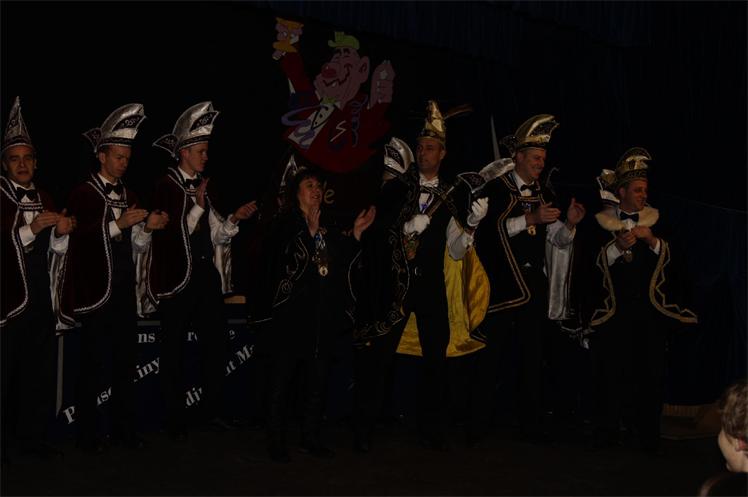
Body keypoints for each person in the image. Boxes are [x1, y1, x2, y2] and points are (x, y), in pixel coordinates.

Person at [353, 100, 488, 452]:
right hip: (396, 287)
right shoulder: (396, 189)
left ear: (442, 153)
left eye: (430, 147)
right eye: (420, 147)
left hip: (430, 287)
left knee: (435, 362)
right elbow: (375, 236)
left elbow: (455, 251)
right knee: (380, 358)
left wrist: (471, 226)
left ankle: (431, 430)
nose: (423, 152)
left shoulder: (453, 194)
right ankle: (364, 429)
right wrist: (404, 228)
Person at [467, 114, 586, 446]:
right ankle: (477, 425)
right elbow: (488, 234)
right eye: (535, 157)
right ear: (518, 157)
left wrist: (570, 225)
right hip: (502, 286)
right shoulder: (497, 189)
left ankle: (530, 425)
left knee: (532, 359)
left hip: (533, 287)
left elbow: (555, 240)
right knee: (490, 358)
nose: (540, 163)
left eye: (543, 158)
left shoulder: (544, 192)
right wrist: (529, 218)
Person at [58, 103, 168, 453]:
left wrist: (146, 229)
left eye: (127, 157)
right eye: (119, 157)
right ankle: (87, 436)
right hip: (96, 291)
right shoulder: (83, 193)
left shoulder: (130, 195)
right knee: (91, 365)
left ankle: (124, 430)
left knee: (125, 364)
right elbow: (79, 239)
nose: (124, 163)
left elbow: (136, 247)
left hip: (123, 292)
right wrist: (118, 224)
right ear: (102, 156)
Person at [149, 101, 258, 440]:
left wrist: (233, 219)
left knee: (216, 345)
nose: (205, 157)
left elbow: (214, 236)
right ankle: (173, 418)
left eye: (206, 151)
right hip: (177, 278)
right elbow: (169, 234)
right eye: (201, 151)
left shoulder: (202, 188)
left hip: (204, 276)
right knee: (173, 350)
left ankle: (211, 411)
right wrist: (196, 206)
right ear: (183, 152)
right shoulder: (166, 185)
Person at [580, 147, 697, 454]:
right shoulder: (600, 224)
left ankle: (646, 436)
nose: (644, 195)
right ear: (621, 192)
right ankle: (607, 433)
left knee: (650, 377)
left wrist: (653, 241)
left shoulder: (658, 222)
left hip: (649, 318)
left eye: (645, 190)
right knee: (610, 375)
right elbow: (585, 269)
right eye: (638, 190)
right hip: (614, 316)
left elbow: (679, 267)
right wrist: (616, 249)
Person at [263, 167, 375, 462]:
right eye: (309, 185)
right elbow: (282, 266)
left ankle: (310, 438)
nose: (316, 190)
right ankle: (276, 441)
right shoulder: (285, 224)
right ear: (296, 192)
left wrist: (356, 233)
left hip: (321, 318)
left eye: (318, 186)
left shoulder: (328, 224)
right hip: (292, 319)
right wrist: (309, 233)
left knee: (317, 381)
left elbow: (338, 264)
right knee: (282, 381)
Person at [1, 97, 75, 462]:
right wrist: (31, 230)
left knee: (37, 373)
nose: (22, 165)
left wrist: (60, 233)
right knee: (5, 375)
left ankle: (33, 440)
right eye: (15, 159)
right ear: (5, 165)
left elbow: (55, 253)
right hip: (8, 299)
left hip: (40, 296)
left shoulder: (44, 196)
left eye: (27, 158)